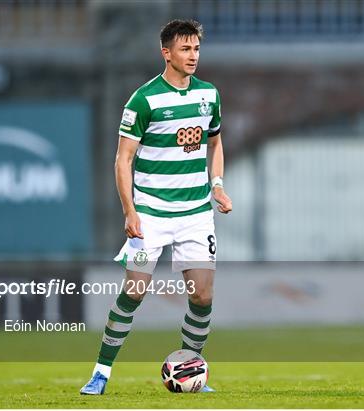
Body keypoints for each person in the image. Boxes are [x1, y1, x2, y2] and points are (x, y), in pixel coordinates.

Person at [80, 19, 232, 395]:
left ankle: (191, 367)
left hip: (196, 213)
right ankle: (101, 373)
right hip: (151, 214)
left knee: (202, 295)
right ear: (166, 53)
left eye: (196, 48)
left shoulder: (209, 95)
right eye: (185, 49)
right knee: (134, 291)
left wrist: (217, 186)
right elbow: (122, 160)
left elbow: (215, 143)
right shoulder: (143, 99)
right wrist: (130, 211)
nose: (193, 55)